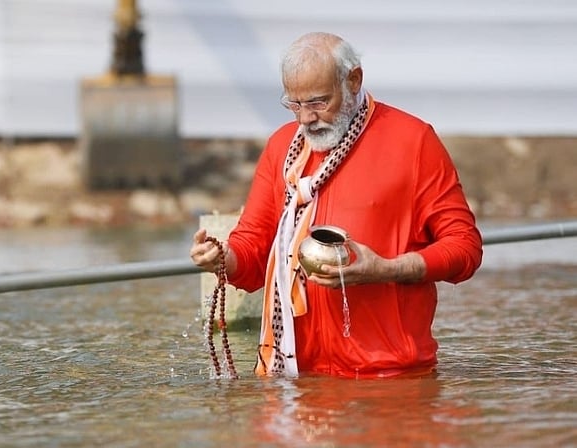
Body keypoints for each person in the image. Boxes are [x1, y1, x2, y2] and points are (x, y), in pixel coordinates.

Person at [189, 32, 483, 379]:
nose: (305, 119)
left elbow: (465, 249)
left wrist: (386, 269)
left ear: (354, 80)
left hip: (387, 377)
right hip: (293, 375)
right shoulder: (281, 147)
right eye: (293, 104)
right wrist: (223, 257)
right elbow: (254, 248)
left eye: (317, 102)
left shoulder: (413, 141)